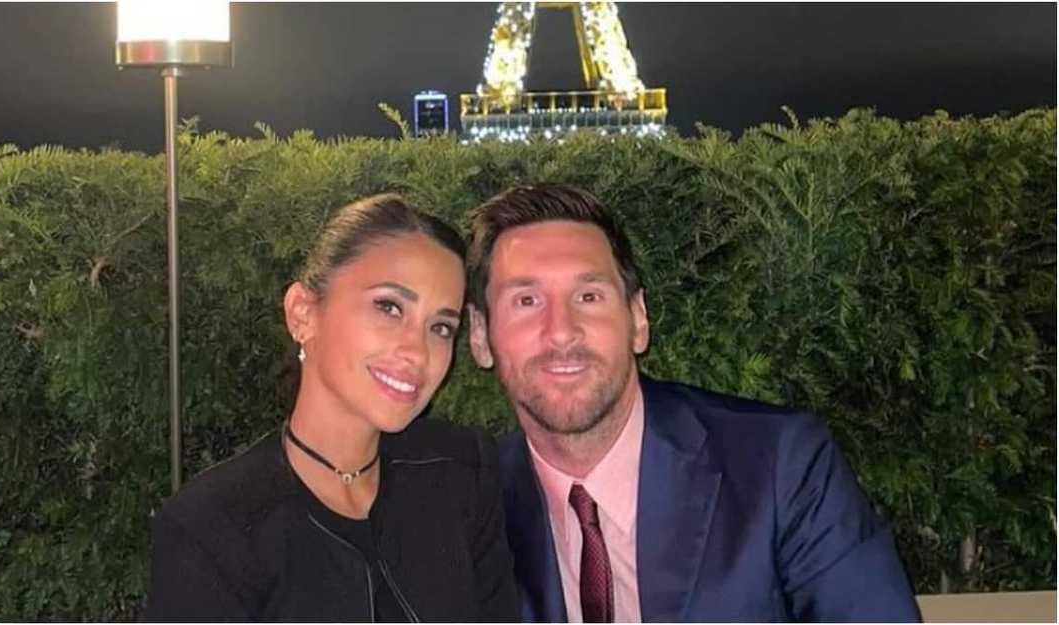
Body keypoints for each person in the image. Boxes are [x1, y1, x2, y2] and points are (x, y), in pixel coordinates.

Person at [464, 184, 921, 622]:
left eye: (588, 296)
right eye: (526, 301)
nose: (561, 331)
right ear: (482, 337)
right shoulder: (471, 508)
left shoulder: (780, 466)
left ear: (638, 320)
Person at [146, 194, 519, 622]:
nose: (418, 353)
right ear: (303, 314)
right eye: (389, 307)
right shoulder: (214, 528)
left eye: (440, 327)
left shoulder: (460, 473)